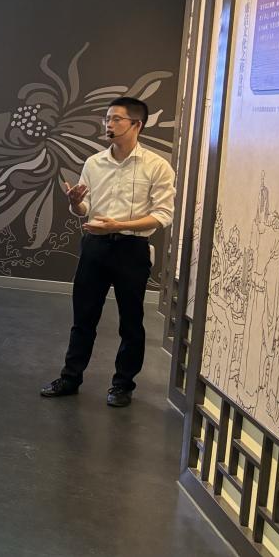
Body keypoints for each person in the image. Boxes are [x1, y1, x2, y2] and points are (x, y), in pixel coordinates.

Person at [40, 96, 176, 408]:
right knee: (83, 317)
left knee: (131, 321)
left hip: (132, 248)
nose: (109, 124)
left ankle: (123, 385)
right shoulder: (94, 163)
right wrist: (76, 203)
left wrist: (120, 225)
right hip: (95, 246)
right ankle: (70, 378)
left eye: (116, 119)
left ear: (136, 124)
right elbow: (84, 208)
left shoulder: (157, 166)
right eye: (107, 118)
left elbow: (162, 215)